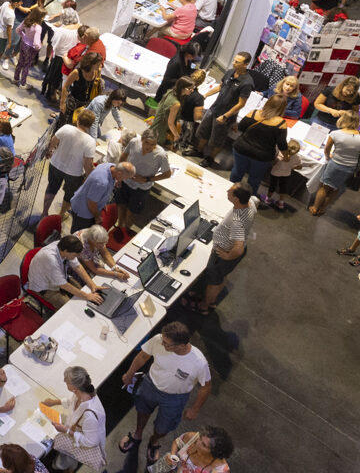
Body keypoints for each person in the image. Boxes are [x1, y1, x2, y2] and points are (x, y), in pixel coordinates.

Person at [120, 322, 213, 466]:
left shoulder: (199, 362)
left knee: (164, 427)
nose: (162, 344)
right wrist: (130, 373)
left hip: (175, 398)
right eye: (163, 340)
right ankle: (137, 434)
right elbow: (143, 356)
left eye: (167, 344)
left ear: (182, 345)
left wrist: (195, 409)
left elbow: (206, 386)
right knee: (142, 410)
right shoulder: (159, 339)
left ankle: (154, 441)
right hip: (150, 385)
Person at [187, 184, 256, 315]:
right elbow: (257, 200)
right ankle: (210, 300)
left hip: (224, 253)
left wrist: (227, 256)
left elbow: (239, 249)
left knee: (214, 281)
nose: (227, 191)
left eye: (230, 191)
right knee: (221, 276)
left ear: (236, 199)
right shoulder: (251, 203)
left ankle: (203, 306)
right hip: (227, 249)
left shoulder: (238, 221)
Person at [43, 366, 108, 470]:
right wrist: (54, 402)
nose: (64, 381)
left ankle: (68, 468)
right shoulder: (82, 393)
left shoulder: (90, 416)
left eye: (67, 381)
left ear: (74, 387)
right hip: (74, 432)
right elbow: (72, 402)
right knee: (65, 456)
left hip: (78, 444)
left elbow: (91, 442)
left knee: (70, 459)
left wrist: (67, 431)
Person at [193, 53, 255, 162]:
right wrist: (205, 95)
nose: (233, 63)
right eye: (234, 60)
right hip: (214, 108)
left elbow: (241, 104)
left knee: (217, 140)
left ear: (246, 64)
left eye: (237, 62)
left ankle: (210, 159)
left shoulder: (247, 83)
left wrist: (225, 116)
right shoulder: (230, 72)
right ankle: (198, 151)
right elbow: (220, 86)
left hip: (226, 115)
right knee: (203, 132)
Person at [27, 236, 107, 307]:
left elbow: (77, 266)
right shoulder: (51, 259)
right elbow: (63, 285)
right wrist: (87, 296)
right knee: (71, 307)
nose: (76, 257)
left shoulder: (64, 246)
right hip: (45, 288)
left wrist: (92, 285)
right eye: (74, 255)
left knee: (83, 293)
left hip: (60, 278)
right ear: (65, 251)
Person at [69, 161, 132, 230]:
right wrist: (97, 217)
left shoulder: (111, 166)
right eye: (125, 178)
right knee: (79, 233)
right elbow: (91, 203)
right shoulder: (101, 183)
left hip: (84, 200)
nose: (124, 180)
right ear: (119, 173)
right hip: (83, 211)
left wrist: (102, 202)